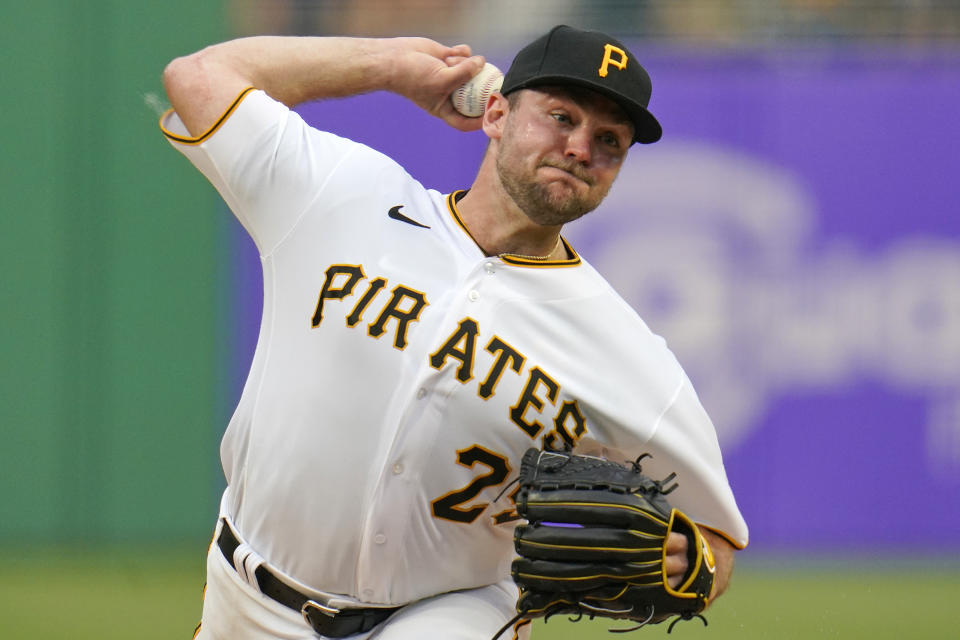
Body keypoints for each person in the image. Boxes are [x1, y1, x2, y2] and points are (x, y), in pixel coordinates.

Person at [160, 24, 748, 640]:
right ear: (495, 112)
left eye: (609, 141)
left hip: (449, 613)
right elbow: (198, 78)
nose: (580, 147)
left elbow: (717, 540)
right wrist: (387, 64)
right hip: (246, 595)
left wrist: (690, 562)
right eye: (560, 116)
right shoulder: (341, 196)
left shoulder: (625, 352)